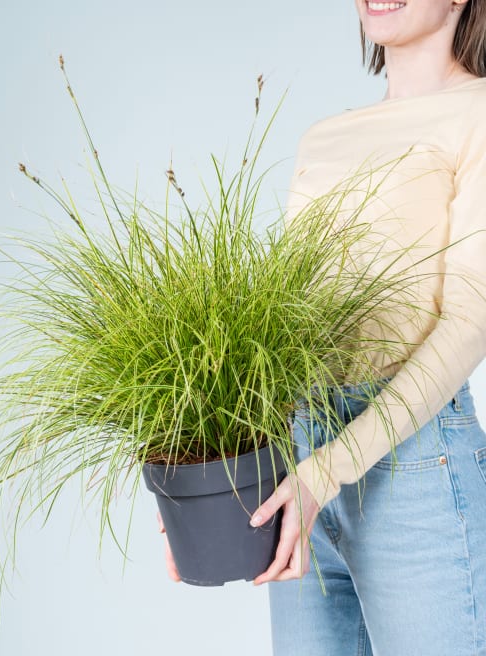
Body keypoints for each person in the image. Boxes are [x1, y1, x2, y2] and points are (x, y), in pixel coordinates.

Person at [159, 1, 486, 653]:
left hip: (413, 462)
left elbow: (470, 323)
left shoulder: (477, 115)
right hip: (298, 450)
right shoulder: (326, 135)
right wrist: (207, 473)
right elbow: (288, 330)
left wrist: (329, 470)